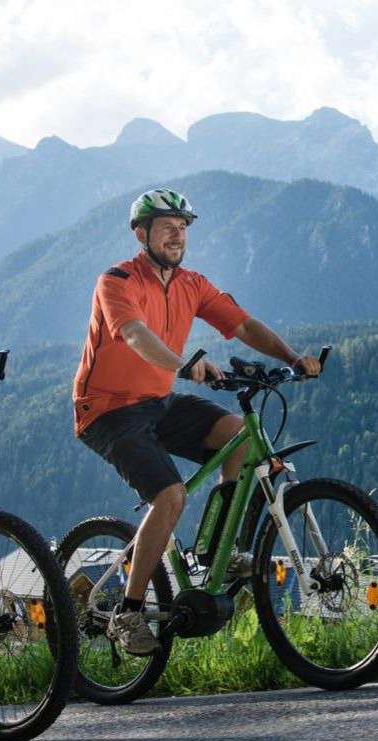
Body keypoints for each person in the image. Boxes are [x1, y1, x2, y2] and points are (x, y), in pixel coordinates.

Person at [73, 188, 321, 655]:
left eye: (183, 227)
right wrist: (183, 365)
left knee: (240, 439)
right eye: (167, 226)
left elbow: (243, 325)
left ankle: (216, 554)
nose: (177, 234)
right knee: (170, 494)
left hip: (158, 401)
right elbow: (134, 335)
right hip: (106, 409)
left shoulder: (193, 284)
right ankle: (127, 613)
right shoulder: (117, 281)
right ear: (140, 233)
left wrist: (291, 358)